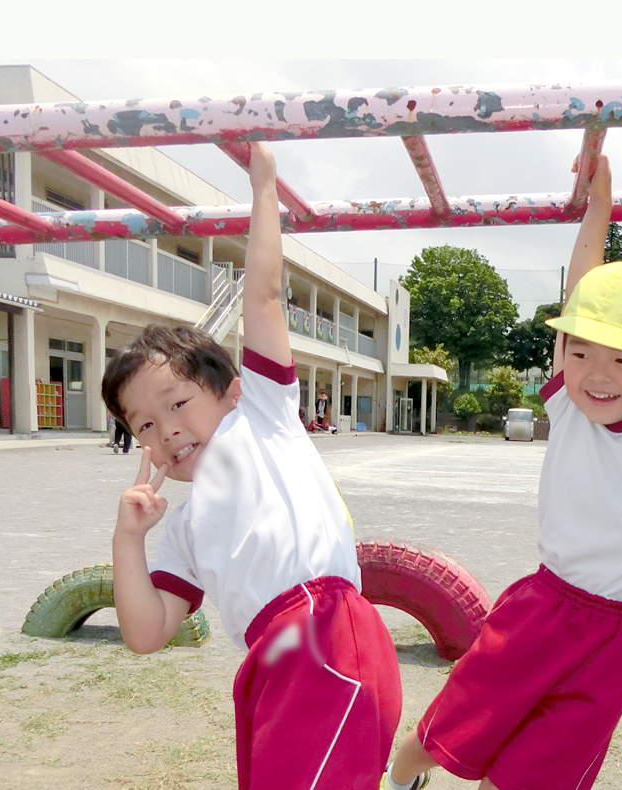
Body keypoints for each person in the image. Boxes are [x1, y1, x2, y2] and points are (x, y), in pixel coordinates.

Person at [383, 144, 622, 790]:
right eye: (581, 353)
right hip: (543, 611)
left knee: (528, 780)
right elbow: (580, 287)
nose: (596, 375)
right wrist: (597, 207)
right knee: (440, 736)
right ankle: (402, 776)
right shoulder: (571, 408)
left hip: (620, 635)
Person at [104, 142, 400, 790]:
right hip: (275, 660)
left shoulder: (261, 416)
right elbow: (147, 633)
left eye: (177, 403)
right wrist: (129, 539)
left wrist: (264, 188)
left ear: (231, 389)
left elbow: (263, 297)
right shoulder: (182, 531)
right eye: (144, 426)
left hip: (326, 633)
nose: (167, 430)